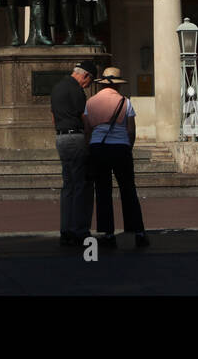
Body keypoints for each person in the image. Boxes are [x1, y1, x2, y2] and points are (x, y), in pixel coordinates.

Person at [84, 67, 147, 248]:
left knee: (103, 191)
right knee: (128, 190)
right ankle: (138, 232)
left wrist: (91, 148)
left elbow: (88, 130)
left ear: (102, 84)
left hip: (98, 147)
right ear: (118, 85)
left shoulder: (91, 102)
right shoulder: (125, 102)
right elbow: (131, 130)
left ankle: (108, 234)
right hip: (120, 147)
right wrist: (128, 147)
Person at [51, 62, 95, 246]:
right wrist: (89, 138)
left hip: (60, 137)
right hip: (75, 137)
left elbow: (53, 116)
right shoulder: (77, 90)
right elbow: (84, 117)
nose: (88, 86)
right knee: (81, 185)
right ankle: (80, 230)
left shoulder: (57, 88)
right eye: (89, 82)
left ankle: (66, 229)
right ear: (85, 76)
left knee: (67, 185)